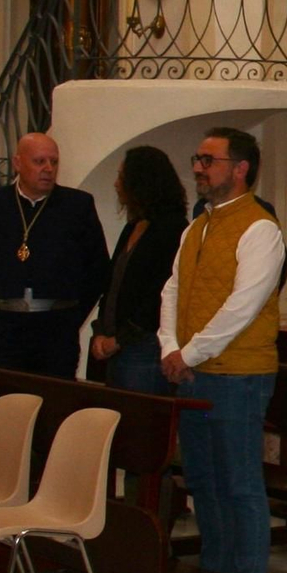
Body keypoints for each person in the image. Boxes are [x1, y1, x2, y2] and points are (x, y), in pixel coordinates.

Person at [159, 127, 287, 573]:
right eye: (197, 158)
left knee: (238, 481)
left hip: (239, 375)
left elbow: (242, 306)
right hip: (193, 371)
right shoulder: (198, 225)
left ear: (240, 169)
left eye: (208, 160)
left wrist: (186, 352)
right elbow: (171, 289)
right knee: (203, 480)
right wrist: (168, 347)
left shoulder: (260, 228)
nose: (197, 167)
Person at [0, 132, 111, 379]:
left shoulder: (76, 205)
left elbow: (99, 270)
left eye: (54, 162)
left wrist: (72, 317)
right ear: (18, 163)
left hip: (57, 332)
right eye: (39, 162)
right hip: (5, 329)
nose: (48, 169)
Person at [90, 145, 189, 395]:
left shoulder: (172, 228)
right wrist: (101, 331)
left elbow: (159, 292)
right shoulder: (133, 226)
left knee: (141, 424)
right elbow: (113, 283)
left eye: (122, 177)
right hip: (119, 343)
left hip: (145, 347)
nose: (116, 184)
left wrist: (120, 339)